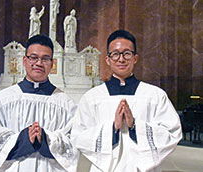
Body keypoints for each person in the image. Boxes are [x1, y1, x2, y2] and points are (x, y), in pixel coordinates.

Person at [71, 30, 182, 172]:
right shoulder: (92, 97)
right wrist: (112, 129)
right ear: (108, 59)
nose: (121, 59)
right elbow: (78, 136)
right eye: (115, 54)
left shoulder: (155, 95)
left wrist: (135, 126)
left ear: (135, 58)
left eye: (127, 54)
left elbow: (172, 133)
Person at [0, 35, 79, 172]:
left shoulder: (65, 103)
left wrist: (45, 139)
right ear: (25, 60)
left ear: (52, 63)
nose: (39, 63)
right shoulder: (3, 99)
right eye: (33, 57)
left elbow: (75, 140)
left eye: (45, 59)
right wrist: (23, 139)